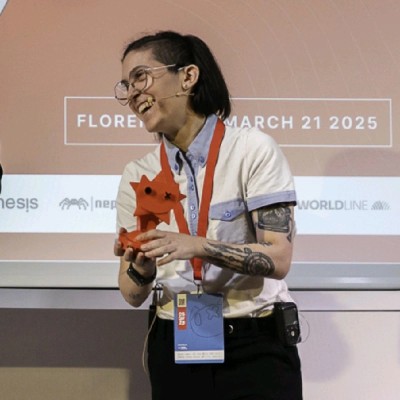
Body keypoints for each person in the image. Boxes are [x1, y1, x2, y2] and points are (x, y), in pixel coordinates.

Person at [114, 30, 302, 400]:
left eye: (141, 77)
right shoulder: (139, 174)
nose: (133, 93)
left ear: (187, 76)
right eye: (126, 85)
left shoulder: (252, 150)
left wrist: (197, 246)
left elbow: (279, 259)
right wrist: (142, 269)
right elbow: (132, 294)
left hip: (255, 344)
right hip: (174, 341)